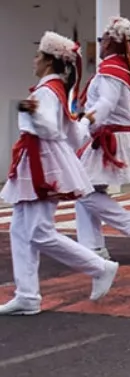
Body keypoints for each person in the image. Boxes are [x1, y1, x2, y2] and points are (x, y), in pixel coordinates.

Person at [1, 32, 120, 316]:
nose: (34, 60)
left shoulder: (47, 91)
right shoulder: (54, 89)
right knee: (20, 229)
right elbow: (70, 134)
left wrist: (29, 111)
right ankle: (27, 295)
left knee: (38, 232)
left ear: (49, 60)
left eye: (38, 56)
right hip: (40, 160)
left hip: (42, 163)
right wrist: (84, 122)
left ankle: (99, 267)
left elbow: (50, 129)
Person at [73, 16, 130, 261]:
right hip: (124, 136)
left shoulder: (110, 71)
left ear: (108, 42)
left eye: (102, 39)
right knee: (89, 189)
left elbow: (105, 104)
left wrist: (84, 123)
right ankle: (93, 248)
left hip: (111, 137)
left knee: (81, 188)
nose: (100, 44)